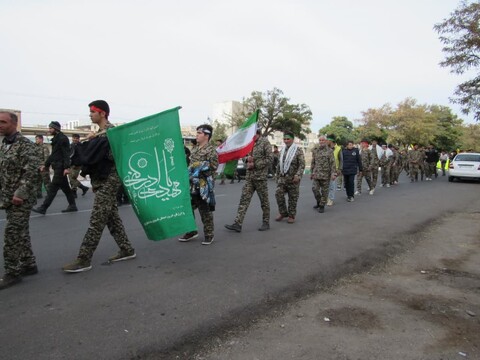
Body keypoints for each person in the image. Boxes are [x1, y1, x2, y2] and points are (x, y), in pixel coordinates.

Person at [62, 100, 136, 273]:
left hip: (109, 179)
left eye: (93, 112)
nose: (90, 114)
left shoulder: (112, 133)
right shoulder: (100, 133)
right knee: (111, 217)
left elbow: (108, 158)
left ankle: (84, 258)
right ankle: (126, 249)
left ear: (102, 113)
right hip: (101, 180)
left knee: (96, 220)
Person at [0, 111, 41, 290]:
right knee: (21, 232)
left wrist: (20, 193)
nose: (0, 125)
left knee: (12, 234)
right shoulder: (4, 145)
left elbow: (30, 172)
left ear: (14, 124)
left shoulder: (26, 145)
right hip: (7, 196)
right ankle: (29, 264)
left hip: (20, 199)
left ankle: (12, 272)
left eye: (3, 122)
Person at [225, 128, 273, 232]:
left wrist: (255, 164)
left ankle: (266, 222)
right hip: (249, 177)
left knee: (264, 201)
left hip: (260, 178)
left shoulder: (265, 142)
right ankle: (238, 223)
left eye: (253, 134)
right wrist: (247, 159)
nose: (251, 136)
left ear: (258, 133)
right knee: (244, 200)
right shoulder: (249, 143)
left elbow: (270, 159)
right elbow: (243, 156)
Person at [178, 124, 218, 245]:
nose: (197, 135)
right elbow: (190, 165)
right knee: (188, 209)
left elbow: (214, 166)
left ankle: (209, 234)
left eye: (199, 133)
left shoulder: (211, 150)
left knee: (204, 210)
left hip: (203, 184)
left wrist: (199, 167)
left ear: (206, 135)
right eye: (197, 133)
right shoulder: (195, 149)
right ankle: (191, 231)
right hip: (191, 184)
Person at [32, 121, 77, 214]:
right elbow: (53, 155)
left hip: (61, 167)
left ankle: (43, 208)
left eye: (50, 128)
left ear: (56, 129)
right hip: (57, 166)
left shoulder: (62, 139)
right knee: (66, 188)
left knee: (53, 188)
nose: (49, 130)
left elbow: (66, 154)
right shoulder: (56, 138)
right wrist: (46, 165)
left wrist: (66, 167)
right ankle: (72, 205)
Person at [274, 131, 305, 223]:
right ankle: (283, 212)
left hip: (293, 179)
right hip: (282, 178)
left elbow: (302, 164)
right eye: (284, 139)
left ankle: (291, 215)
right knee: (278, 194)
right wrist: (277, 176)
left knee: (293, 198)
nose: (286, 141)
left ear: (292, 139)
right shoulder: (282, 150)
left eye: (288, 139)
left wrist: (298, 175)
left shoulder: (298, 150)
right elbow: (279, 165)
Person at [311, 135, 336, 213]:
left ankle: (322, 205)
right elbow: (313, 162)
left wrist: (333, 174)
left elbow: (332, 163)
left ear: (326, 141)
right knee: (314, 189)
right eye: (320, 140)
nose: (321, 142)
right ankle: (319, 201)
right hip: (317, 174)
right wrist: (312, 172)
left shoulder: (330, 151)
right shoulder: (315, 150)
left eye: (323, 140)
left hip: (326, 175)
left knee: (324, 192)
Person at [68, 133, 90, 198]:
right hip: (71, 164)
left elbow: (80, 156)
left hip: (76, 165)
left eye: (76, 138)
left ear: (78, 139)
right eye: (74, 138)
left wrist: (77, 164)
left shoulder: (80, 146)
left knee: (72, 179)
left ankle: (83, 188)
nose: (75, 139)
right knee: (71, 179)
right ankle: (74, 192)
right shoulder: (71, 145)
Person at [326, 135, 342, 206]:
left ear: (331, 141)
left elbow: (341, 160)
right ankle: (326, 198)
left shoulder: (338, 149)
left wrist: (340, 169)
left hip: (334, 169)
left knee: (332, 185)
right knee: (326, 186)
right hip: (325, 169)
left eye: (328, 140)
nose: (326, 141)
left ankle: (331, 199)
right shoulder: (326, 148)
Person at [34, 134, 51, 199]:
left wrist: (43, 166)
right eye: (36, 139)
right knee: (38, 181)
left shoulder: (44, 147)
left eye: (37, 139)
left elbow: (46, 158)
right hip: (37, 166)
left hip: (43, 167)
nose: (36, 140)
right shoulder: (35, 147)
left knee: (47, 181)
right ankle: (38, 194)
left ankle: (50, 194)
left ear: (41, 139)